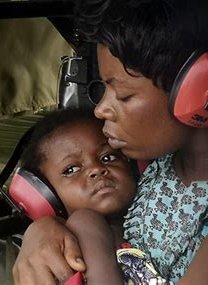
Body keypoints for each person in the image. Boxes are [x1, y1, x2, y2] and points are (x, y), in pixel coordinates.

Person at [13, 0, 208, 284]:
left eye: (124, 94)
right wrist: (43, 229)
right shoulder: (155, 159)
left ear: (200, 86)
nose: (101, 110)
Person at [18, 107, 171, 284]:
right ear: (45, 195)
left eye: (107, 157)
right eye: (71, 169)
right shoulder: (84, 226)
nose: (96, 169)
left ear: (134, 165)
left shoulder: (155, 214)